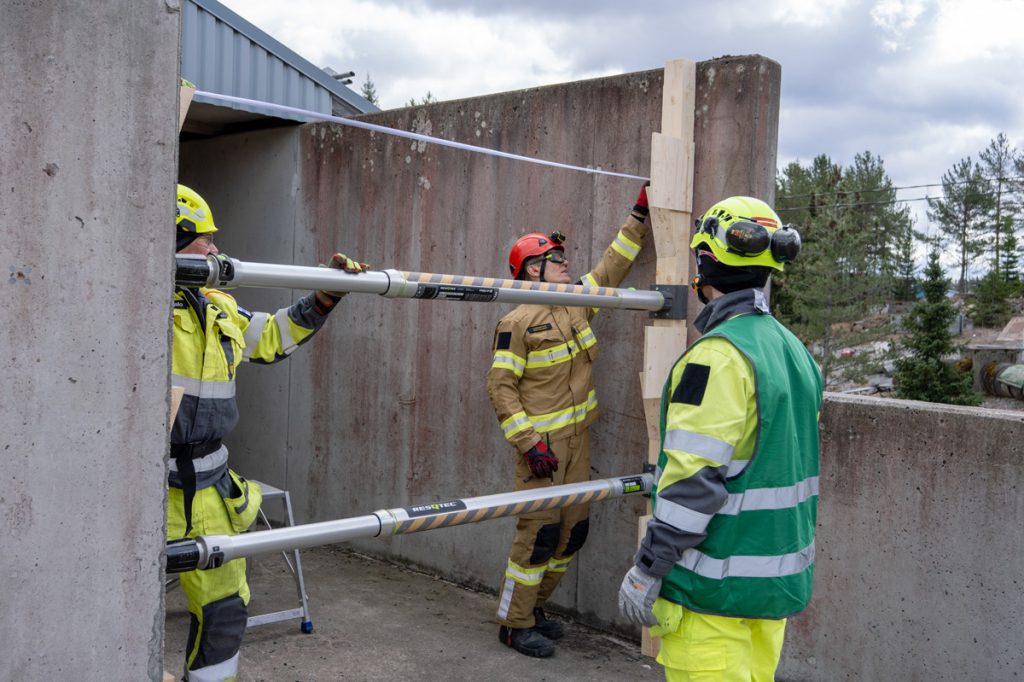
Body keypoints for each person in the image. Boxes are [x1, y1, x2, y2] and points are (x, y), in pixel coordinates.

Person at [617, 195, 822, 681]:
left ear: (704, 264)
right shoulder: (795, 353)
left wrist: (648, 568)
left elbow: (693, 484)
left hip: (712, 597)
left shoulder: (716, 358)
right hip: (769, 593)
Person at [169, 184, 366, 681]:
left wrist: (325, 296)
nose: (215, 249)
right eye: (203, 240)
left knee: (224, 610)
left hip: (210, 486)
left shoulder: (215, 304)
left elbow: (273, 337)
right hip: (143, 489)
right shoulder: (126, 306)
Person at [486, 184, 651, 657]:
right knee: (537, 539)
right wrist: (528, 443)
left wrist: (638, 215)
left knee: (571, 534)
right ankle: (514, 624)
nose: (565, 264)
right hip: (542, 451)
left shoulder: (575, 302)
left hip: (579, 446)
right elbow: (499, 387)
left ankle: (535, 609)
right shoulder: (515, 322)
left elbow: (613, 264)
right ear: (532, 269)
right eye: (555, 258)